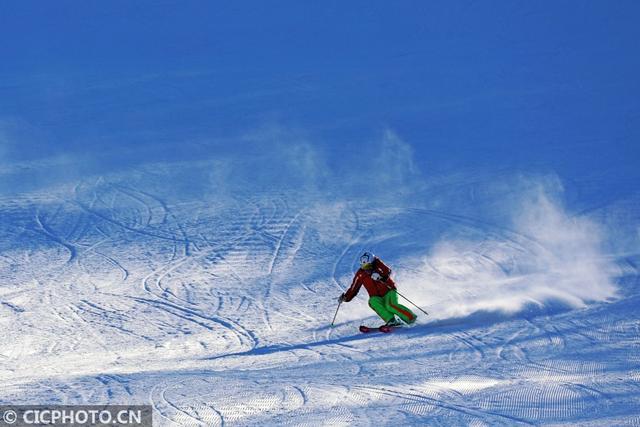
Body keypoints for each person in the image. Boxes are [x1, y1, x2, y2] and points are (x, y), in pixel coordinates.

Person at [339, 251, 417, 327]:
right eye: (363, 267)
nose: (366, 269)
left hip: (388, 291)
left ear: (372, 263)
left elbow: (387, 271)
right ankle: (391, 320)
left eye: (368, 266)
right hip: (376, 296)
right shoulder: (360, 274)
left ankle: (411, 318)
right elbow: (354, 288)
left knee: (390, 305)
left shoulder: (378, 264)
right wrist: (345, 297)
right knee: (372, 301)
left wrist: (381, 277)